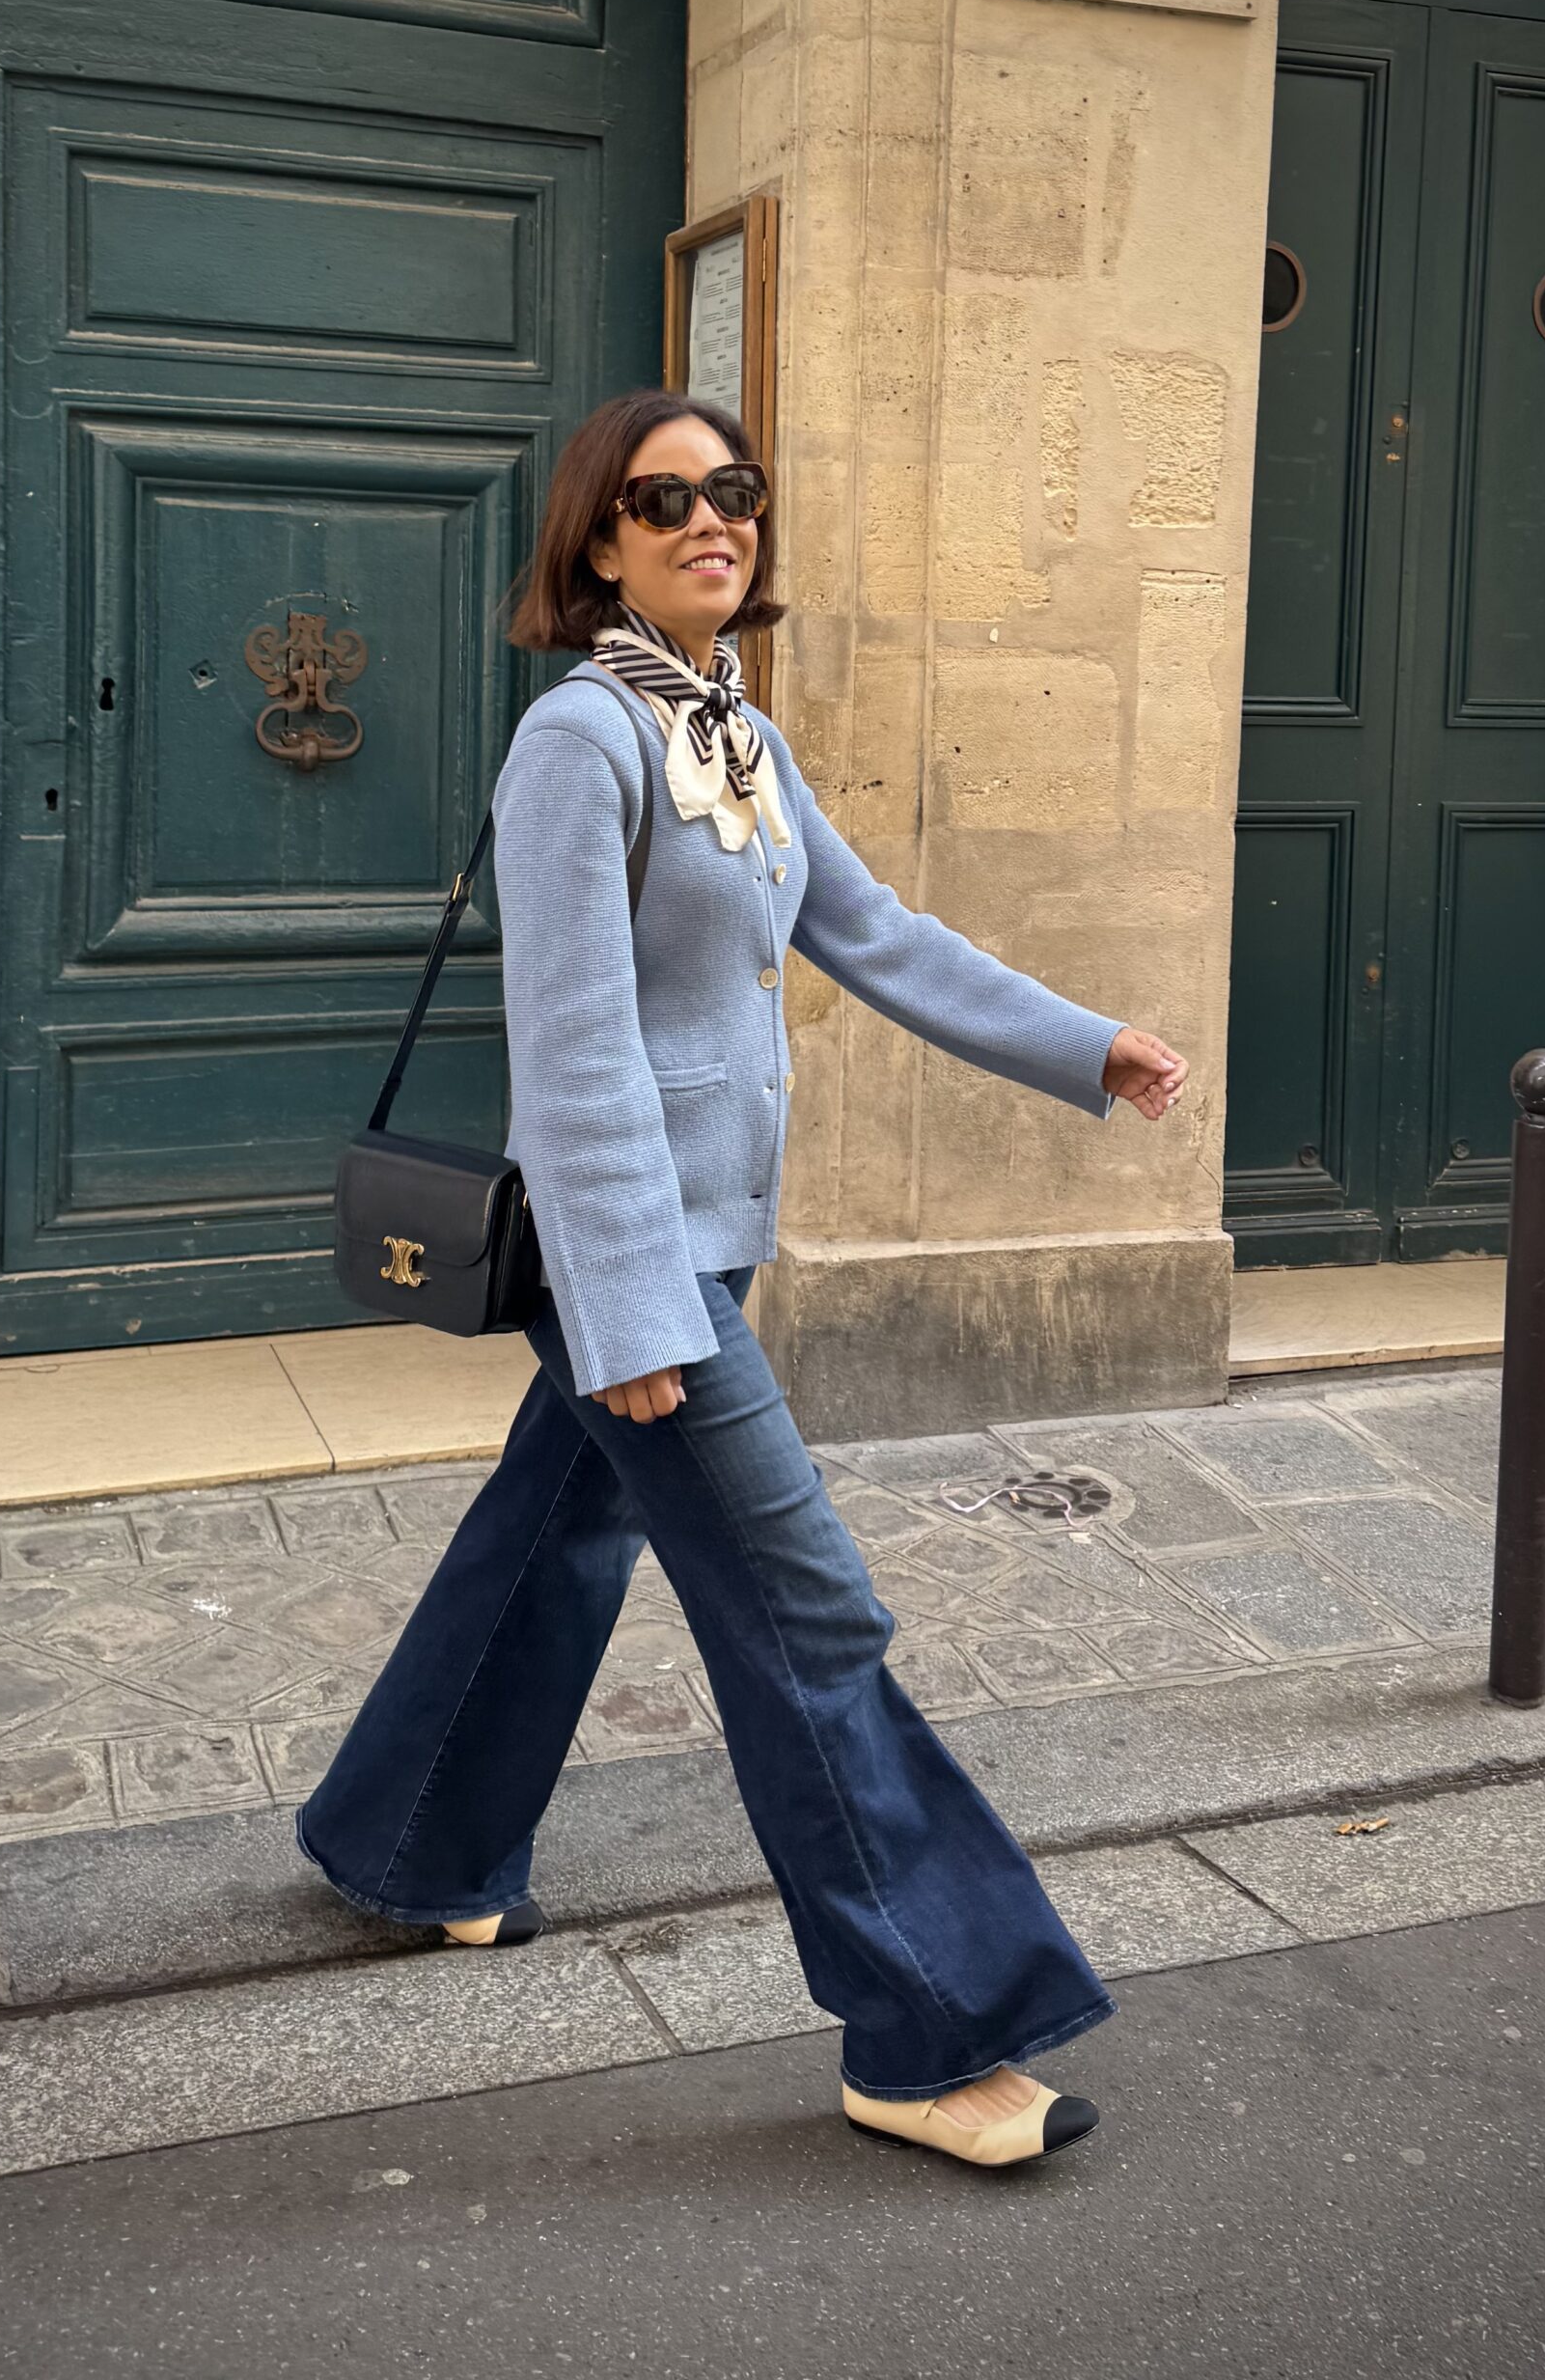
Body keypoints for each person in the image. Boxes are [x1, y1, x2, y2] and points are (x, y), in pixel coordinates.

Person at [298, 388, 1188, 2171]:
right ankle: (923, 2035)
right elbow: (568, 1048)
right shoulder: (585, 739)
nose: (714, 519)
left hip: (703, 1247)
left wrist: (1082, 1045)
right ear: (599, 539)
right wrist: (626, 1309)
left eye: (737, 493)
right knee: (810, 1624)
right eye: (666, 497)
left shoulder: (734, 737)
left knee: (549, 1538)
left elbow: (876, 935)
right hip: (640, 1271)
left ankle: (407, 1846)